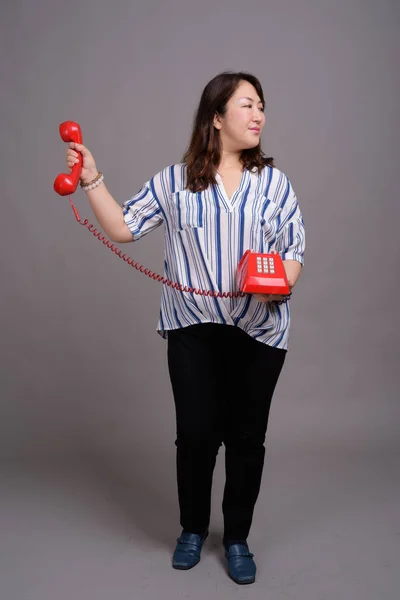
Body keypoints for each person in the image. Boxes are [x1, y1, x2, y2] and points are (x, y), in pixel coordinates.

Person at [66, 71, 305, 585]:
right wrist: (91, 177)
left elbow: (294, 253)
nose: (259, 114)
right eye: (246, 104)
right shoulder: (175, 180)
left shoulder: (275, 183)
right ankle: (193, 529)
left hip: (259, 330)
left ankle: (237, 537)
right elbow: (125, 226)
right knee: (195, 436)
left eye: (261, 105)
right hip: (192, 328)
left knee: (247, 438)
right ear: (216, 118)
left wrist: (277, 282)